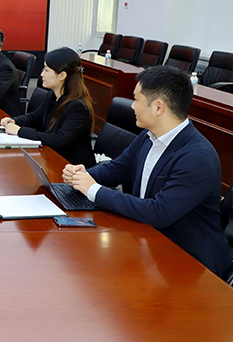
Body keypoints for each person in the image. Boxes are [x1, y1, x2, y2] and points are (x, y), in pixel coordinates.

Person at [63, 65, 232, 278]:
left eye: (136, 99)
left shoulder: (197, 157)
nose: (132, 106)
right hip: (148, 243)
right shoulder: (148, 136)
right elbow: (118, 168)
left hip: (190, 265)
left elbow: (158, 212)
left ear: (158, 107)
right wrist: (83, 175)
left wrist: (93, 190)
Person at [0, 47, 95, 166]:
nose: (41, 74)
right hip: (52, 156)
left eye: (46, 70)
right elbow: (36, 117)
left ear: (62, 75)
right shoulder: (53, 95)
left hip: (72, 166)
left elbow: (59, 140)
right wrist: (14, 121)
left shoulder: (77, 106)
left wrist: (20, 131)